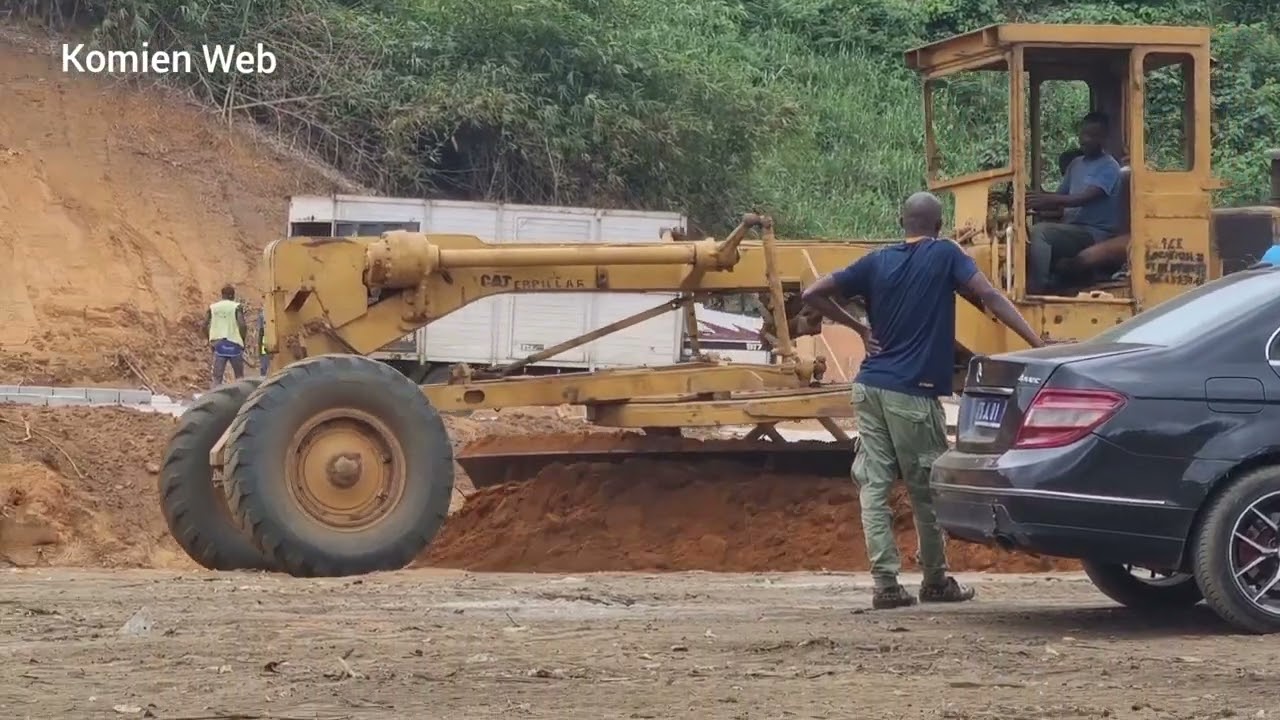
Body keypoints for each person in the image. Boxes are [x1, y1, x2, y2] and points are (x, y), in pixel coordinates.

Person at [802, 191, 1045, 610]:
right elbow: (990, 296)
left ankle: (886, 585)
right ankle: (934, 579)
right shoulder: (945, 255)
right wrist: (1037, 344)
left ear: (903, 222)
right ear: (938, 227)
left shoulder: (875, 261)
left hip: (868, 388)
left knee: (873, 486)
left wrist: (858, 328)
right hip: (912, 395)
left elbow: (814, 293)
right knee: (926, 489)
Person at [1026, 112, 1123, 293]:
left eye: (1092, 136)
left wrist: (1046, 199)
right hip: (1073, 229)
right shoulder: (1076, 164)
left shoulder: (1110, 167)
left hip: (1093, 233)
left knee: (1041, 232)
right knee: (1031, 230)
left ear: (1104, 139)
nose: (1085, 140)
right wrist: (1032, 200)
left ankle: (1039, 287)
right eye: (1083, 134)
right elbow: (1060, 198)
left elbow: (1084, 198)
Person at [204, 284, 248, 389]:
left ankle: (214, 399)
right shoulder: (236, 307)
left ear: (222, 295)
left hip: (218, 344)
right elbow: (242, 325)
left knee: (217, 378)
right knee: (239, 378)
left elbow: (204, 325)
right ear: (232, 296)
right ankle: (241, 399)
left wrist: (210, 339)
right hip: (234, 343)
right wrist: (242, 339)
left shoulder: (212, 308)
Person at [257, 307, 270, 376]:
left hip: (265, 337)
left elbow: (260, 331)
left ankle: (263, 376)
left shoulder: (262, 314)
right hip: (265, 338)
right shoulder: (263, 314)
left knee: (264, 359)